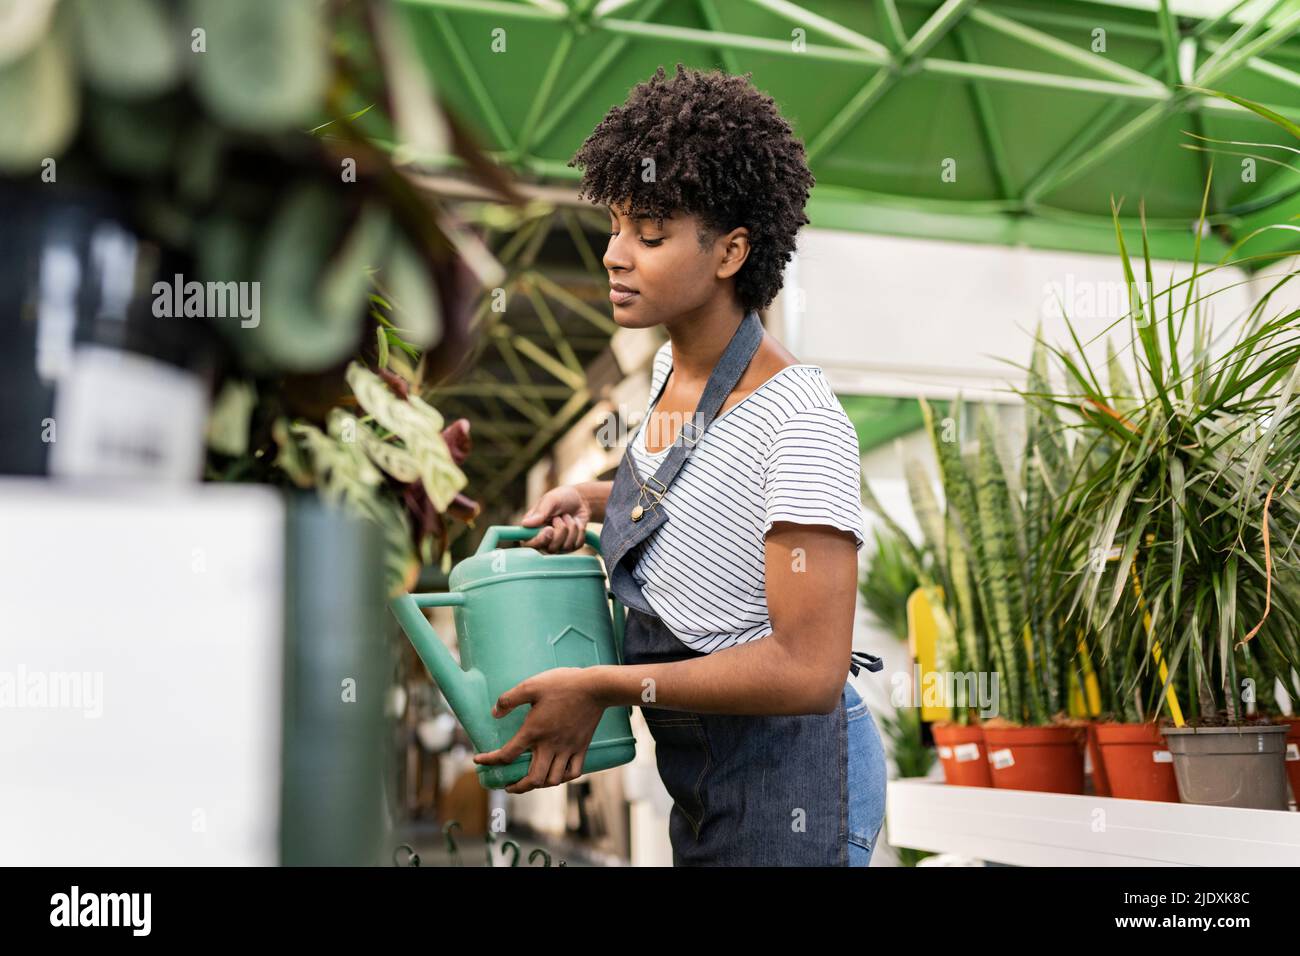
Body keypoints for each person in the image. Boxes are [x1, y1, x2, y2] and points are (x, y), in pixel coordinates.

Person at [473, 64, 886, 867]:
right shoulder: (676, 374)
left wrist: (601, 686)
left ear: (731, 251)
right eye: (618, 225)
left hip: (789, 780)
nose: (615, 255)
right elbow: (695, 497)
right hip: (701, 778)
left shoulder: (798, 420)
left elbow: (808, 668)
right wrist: (590, 500)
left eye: (651, 235)